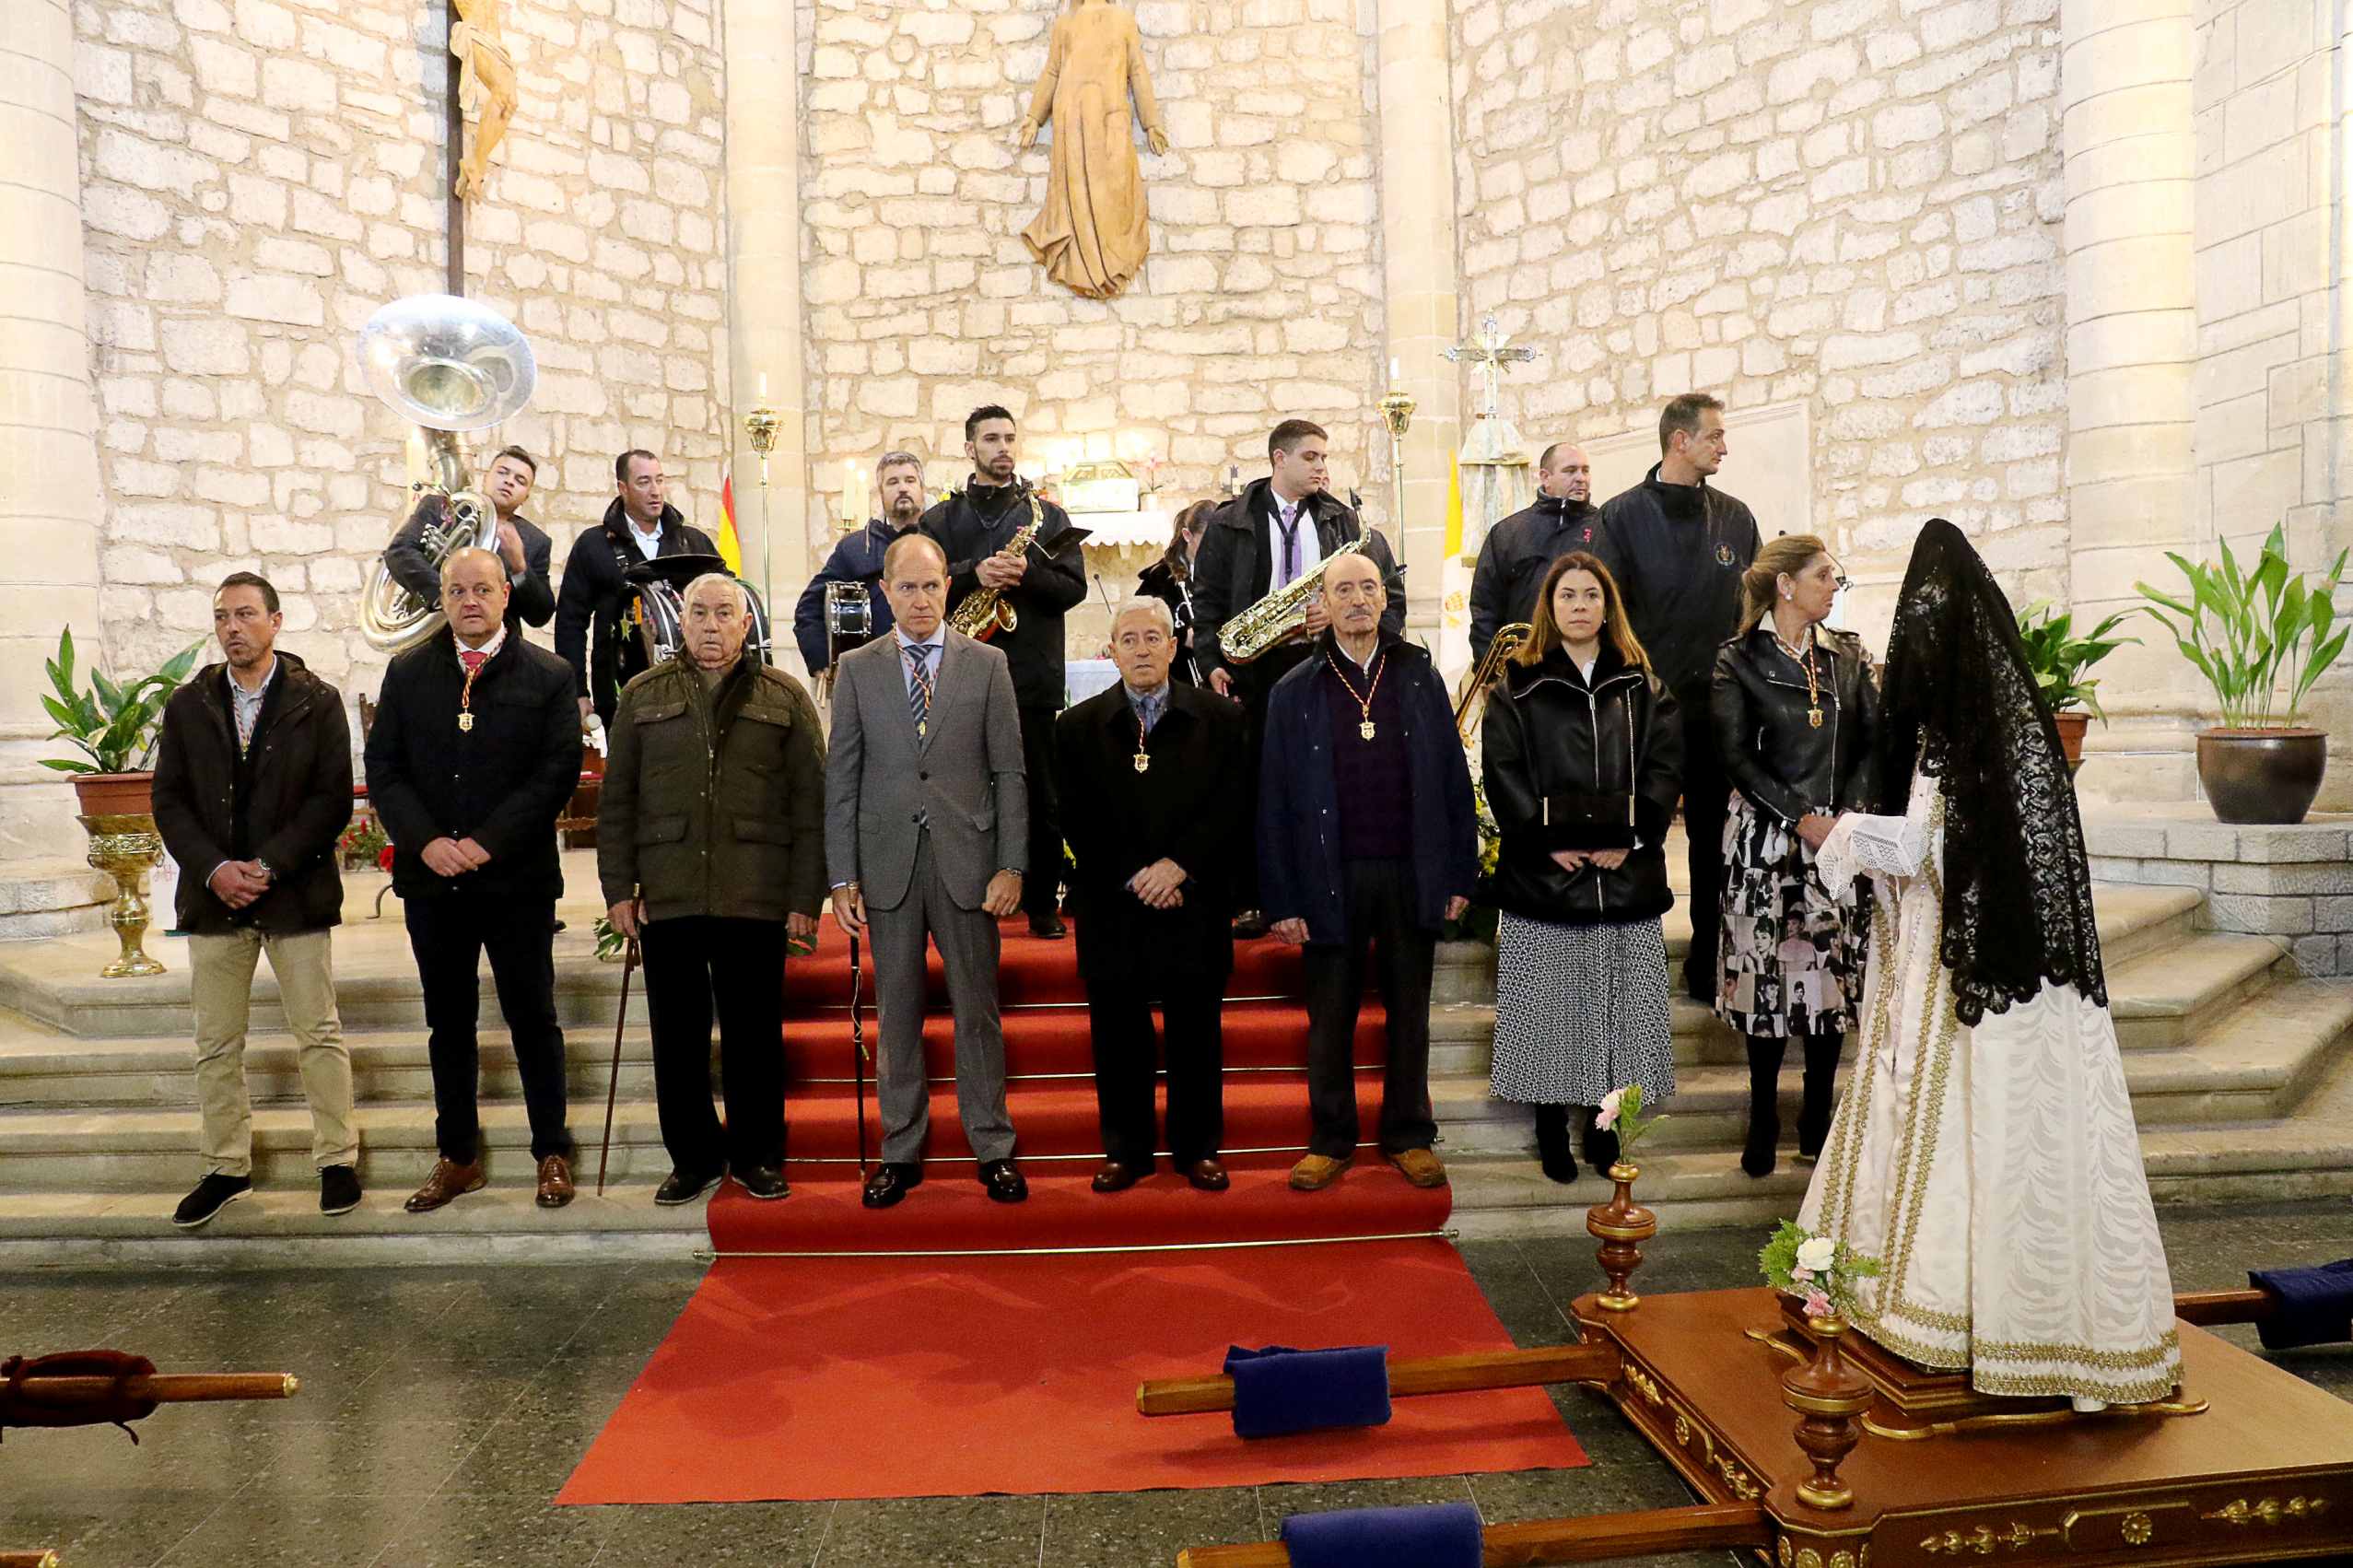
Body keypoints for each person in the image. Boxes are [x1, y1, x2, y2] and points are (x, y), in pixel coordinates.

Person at [1798, 518, 2178, 1411]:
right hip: (1936, 967)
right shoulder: (1962, 734)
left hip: (1970, 987)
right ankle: (1888, 1290)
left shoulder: (1981, 740)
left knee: (1978, 1134)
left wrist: (1839, 832)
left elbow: (1937, 850)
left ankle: (1974, 1316)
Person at [366, 546, 584, 1212]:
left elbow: (556, 774)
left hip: (514, 881)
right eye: (456, 590)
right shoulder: (407, 675)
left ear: (505, 595)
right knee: (448, 1024)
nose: (469, 600)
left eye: (482, 589)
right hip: (434, 885)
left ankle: (550, 1150)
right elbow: (386, 770)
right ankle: (458, 1156)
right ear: (441, 599)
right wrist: (426, 841)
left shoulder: (547, 675)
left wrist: (485, 843)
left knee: (533, 1018)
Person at [601, 573, 826, 1206]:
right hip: (668, 893)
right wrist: (619, 887)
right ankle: (693, 1157)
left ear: (746, 623)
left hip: (754, 893)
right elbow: (618, 802)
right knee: (677, 1036)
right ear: (681, 622)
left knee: (754, 1034)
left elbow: (812, 804)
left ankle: (756, 1156)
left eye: (723, 612)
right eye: (697, 612)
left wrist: (805, 898)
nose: (708, 624)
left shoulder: (783, 696)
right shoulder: (643, 695)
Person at [825, 532, 1031, 1209]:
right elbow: (844, 780)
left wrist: (1012, 864)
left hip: (969, 864)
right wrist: (841, 875)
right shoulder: (856, 668)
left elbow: (1009, 772)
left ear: (950, 587)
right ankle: (900, 1151)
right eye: (906, 587)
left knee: (978, 1011)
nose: (920, 598)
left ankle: (993, 1146)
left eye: (931, 585)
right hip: (887, 865)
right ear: (886, 592)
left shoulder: (988, 663)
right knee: (899, 1013)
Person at [1259, 552, 1476, 1192]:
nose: (1357, 600)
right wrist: (1281, 898)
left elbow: (1450, 781)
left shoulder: (1415, 675)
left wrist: (1458, 876)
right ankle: (1331, 1139)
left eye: (1368, 588)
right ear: (1322, 604)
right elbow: (1272, 801)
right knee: (1331, 1017)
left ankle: (1408, 1133)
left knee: (1410, 1012)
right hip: (1329, 875)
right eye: (1342, 590)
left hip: (1410, 870)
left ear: (1384, 600)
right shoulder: (1293, 688)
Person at [151, 572, 357, 1229]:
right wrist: (214, 869)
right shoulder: (189, 704)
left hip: (292, 892)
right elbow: (169, 800)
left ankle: (336, 1160)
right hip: (213, 899)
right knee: (215, 1041)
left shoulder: (315, 700)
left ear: (276, 621)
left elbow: (330, 798)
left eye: (245, 615)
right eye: (222, 617)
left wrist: (269, 864)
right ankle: (225, 1167)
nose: (232, 628)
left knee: (317, 1032)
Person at [1481, 554, 1681, 1185]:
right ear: (1549, 605)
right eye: (1566, 595)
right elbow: (1503, 770)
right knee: (1550, 1009)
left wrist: (1635, 837)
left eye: (1590, 595)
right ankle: (1550, 1132)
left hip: (1623, 874)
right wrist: (1544, 840)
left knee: (1619, 1010)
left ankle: (1608, 1128)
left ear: (1607, 606)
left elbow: (1664, 764)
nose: (1578, 606)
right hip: (1546, 875)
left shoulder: (1641, 684)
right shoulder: (1518, 684)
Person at [1054, 597, 1247, 1193]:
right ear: (1111, 652)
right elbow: (1072, 816)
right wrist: (1136, 871)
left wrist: (1178, 866)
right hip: (1115, 903)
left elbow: (1234, 805)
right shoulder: (1076, 726)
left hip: (1194, 900)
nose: (1141, 648)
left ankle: (1197, 1149)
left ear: (1174, 646)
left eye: (1153, 637)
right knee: (1117, 1035)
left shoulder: (1221, 718)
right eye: (1129, 639)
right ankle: (1127, 1150)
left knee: (1196, 1031)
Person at [1192, 419, 1406, 936]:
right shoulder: (1228, 523)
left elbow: (1387, 599)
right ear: (1278, 460)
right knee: (1255, 783)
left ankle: (1328, 888)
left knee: (1326, 779)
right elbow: (1207, 605)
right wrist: (1212, 660)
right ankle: (1253, 897)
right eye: (1311, 458)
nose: (1321, 468)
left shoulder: (1344, 523)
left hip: (1325, 666)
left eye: (1324, 458)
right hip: (1253, 670)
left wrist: (1333, 620)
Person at [1711, 534, 1879, 1177]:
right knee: (1765, 984)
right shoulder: (1738, 659)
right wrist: (1799, 816)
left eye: (1837, 579)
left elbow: (1871, 740)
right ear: (1786, 585)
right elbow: (1734, 752)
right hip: (1766, 841)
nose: (1834, 588)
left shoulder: (1847, 655)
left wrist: (1844, 815)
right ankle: (1763, 1119)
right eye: (1824, 577)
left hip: (1836, 839)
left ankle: (1817, 1116)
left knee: (1828, 983)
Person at [1595, 393, 1761, 1003]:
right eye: (1715, 435)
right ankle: (1634, 971)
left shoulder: (1737, 518)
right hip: (1646, 708)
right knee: (1641, 835)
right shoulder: (1620, 517)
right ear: (1679, 441)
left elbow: (1754, 613)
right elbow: (1607, 616)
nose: (1725, 446)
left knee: (1716, 842)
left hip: (1721, 708)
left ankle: (1708, 963)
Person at [920, 406, 1085, 939]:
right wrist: (973, 573)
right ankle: (966, 896)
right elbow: (919, 580)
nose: (1003, 446)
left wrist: (1027, 573)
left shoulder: (1048, 517)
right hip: (959, 676)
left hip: (1031, 677)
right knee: (964, 790)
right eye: (991, 439)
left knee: (1040, 791)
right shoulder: (939, 521)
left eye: (1010, 438)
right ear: (970, 449)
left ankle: (1041, 903)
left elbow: (1073, 590)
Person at [556, 449, 720, 729]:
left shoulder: (693, 543)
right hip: (619, 691)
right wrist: (578, 692)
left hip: (694, 689)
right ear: (623, 488)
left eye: (659, 480)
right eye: (644, 482)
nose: (655, 491)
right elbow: (570, 623)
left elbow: (729, 600)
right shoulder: (593, 545)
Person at [382, 444, 555, 637]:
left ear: (526, 496)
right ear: (486, 478)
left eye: (520, 480)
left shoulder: (536, 541)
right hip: (434, 640)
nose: (509, 481)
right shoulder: (439, 507)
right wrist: (447, 597)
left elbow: (540, 615)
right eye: (503, 472)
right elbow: (399, 552)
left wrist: (520, 568)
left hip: (499, 649)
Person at [1467, 442, 1600, 670]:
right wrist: (1489, 670)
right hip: (1525, 666)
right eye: (1570, 471)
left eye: (1585, 470)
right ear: (1545, 477)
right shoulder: (1509, 532)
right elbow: (1485, 607)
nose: (1581, 478)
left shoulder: (1605, 528)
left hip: (1591, 664)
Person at [792, 451, 925, 676]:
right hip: (877, 672)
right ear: (880, 493)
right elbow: (809, 606)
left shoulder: (943, 537)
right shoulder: (855, 548)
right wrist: (821, 662)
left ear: (922, 489)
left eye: (910, 480)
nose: (902, 488)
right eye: (892, 482)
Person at [1134, 499, 1214, 685]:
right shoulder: (1160, 577)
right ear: (1187, 535)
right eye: (1206, 540)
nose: (1214, 548)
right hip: (1179, 676)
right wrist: (1183, 636)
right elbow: (1142, 619)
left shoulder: (1224, 571)